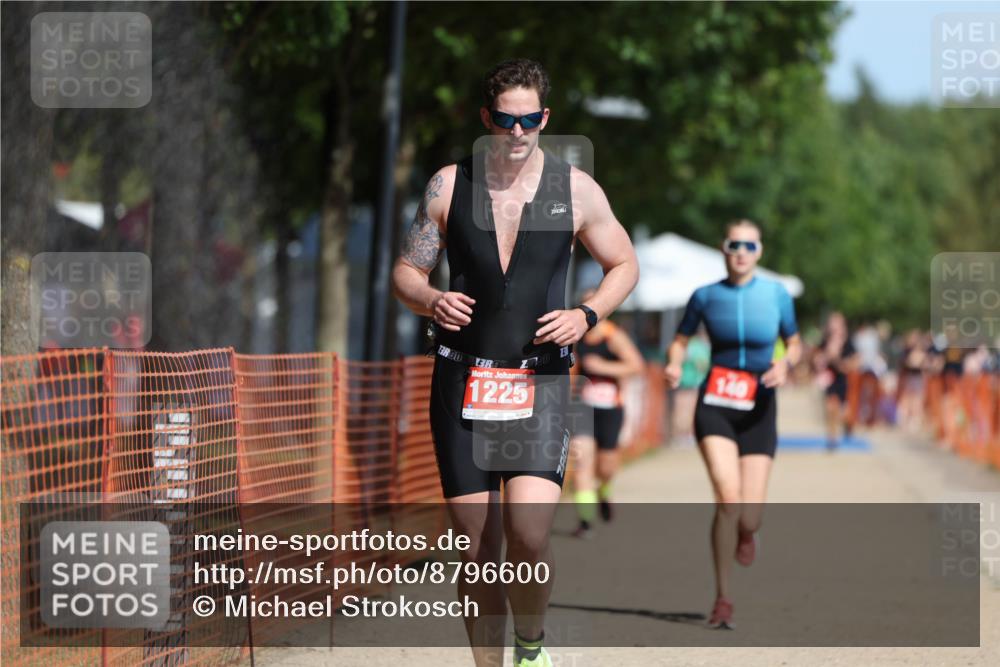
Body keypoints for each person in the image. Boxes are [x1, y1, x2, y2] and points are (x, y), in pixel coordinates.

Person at [391, 59, 638, 667]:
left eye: (531, 119)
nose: (519, 131)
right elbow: (405, 272)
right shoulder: (450, 185)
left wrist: (587, 315)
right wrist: (428, 297)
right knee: (477, 549)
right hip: (461, 381)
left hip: (540, 383)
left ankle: (530, 646)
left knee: (528, 537)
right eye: (507, 119)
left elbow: (624, 264)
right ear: (487, 119)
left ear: (545, 119)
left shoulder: (576, 189)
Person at [663, 219, 801, 630]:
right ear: (723, 249)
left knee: (749, 515)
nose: (741, 251)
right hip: (716, 405)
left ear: (760, 251)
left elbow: (794, 342)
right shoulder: (704, 296)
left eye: (749, 245)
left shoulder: (777, 295)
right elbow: (681, 339)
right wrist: (673, 362)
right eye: (733, 244)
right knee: (727, 499)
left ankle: (748, 532)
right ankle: (723, 598)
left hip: (759, 406)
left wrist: (785, 363)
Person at [568, 289, 645, 539]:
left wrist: (604, 367)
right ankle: (586, 522)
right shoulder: (576, 334)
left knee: (606, 467)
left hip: (611, 407)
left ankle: (604, 489)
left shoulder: (614, 336)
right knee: (582, 464)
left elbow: (636, 365)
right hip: (582, 406)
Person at [813, 312, 857, 450]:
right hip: (830, 379)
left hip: (844, 380)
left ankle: (846, 425)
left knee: (843, 412)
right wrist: (826, 355)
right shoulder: (825, 341)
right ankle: (832, 438)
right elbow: (817, 358)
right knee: (830, 408)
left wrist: (837, 358)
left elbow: (852, 363)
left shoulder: (848, 342)